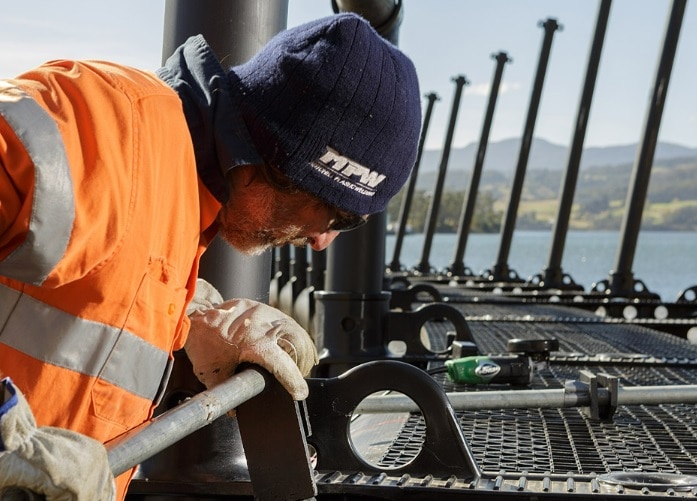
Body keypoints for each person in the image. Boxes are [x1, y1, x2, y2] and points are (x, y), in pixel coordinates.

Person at [0, 12, 421, 500]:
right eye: (339, 218)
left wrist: (193, 318)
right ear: (286, 164)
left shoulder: (175, 188)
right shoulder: (99, 130)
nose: (322, 241)